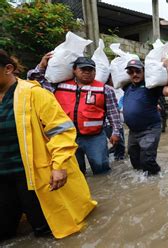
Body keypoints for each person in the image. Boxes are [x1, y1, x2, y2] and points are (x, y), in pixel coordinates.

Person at [0, 49, 96, 240]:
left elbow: (61, 131)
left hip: (31, 176)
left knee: (45, 230)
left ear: (8, 69)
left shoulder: (34, 94)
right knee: (5, 232)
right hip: (2, 176)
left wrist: (59, 165)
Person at [54, 57, 122, 175]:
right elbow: (37, 80)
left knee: (101, 167)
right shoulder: (59, 87)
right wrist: (42, 65)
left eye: (90, 70)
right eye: (83, 69)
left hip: (94, 137)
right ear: (74, 70)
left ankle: (104, 190)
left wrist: (116, 132)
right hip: (68, 137)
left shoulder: (104, 90)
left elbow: (113, 113)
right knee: (76, 172)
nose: (87, 72)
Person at [123, 59, 168, 175]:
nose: (135, 74)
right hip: (133, 131)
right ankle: (142, 183)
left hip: (150, 129)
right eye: (131, 72)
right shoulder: (127, 87)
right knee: (135, 161)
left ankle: (157, 177)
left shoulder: (151, 86)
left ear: (144, 71)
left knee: (147, 160)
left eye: (137, 71)